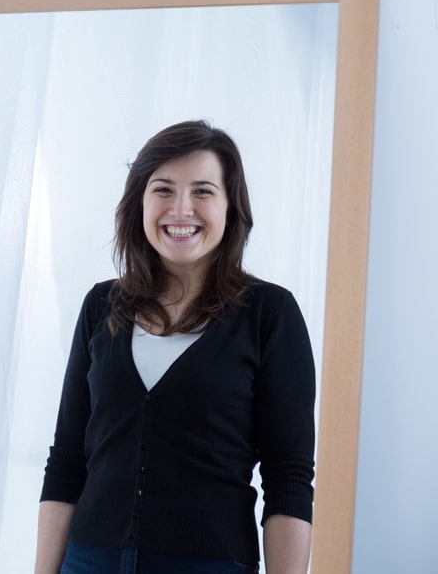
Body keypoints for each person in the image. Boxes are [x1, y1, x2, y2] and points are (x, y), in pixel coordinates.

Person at [34, 120, 315, 574]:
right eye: (163, 189)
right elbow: (67, 459)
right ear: (140, 203)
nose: (180, 208)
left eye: (202, 191)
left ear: (230, 207)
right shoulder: (100, 306)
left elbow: (289, 477)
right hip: (88, 561)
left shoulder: (270, 313)